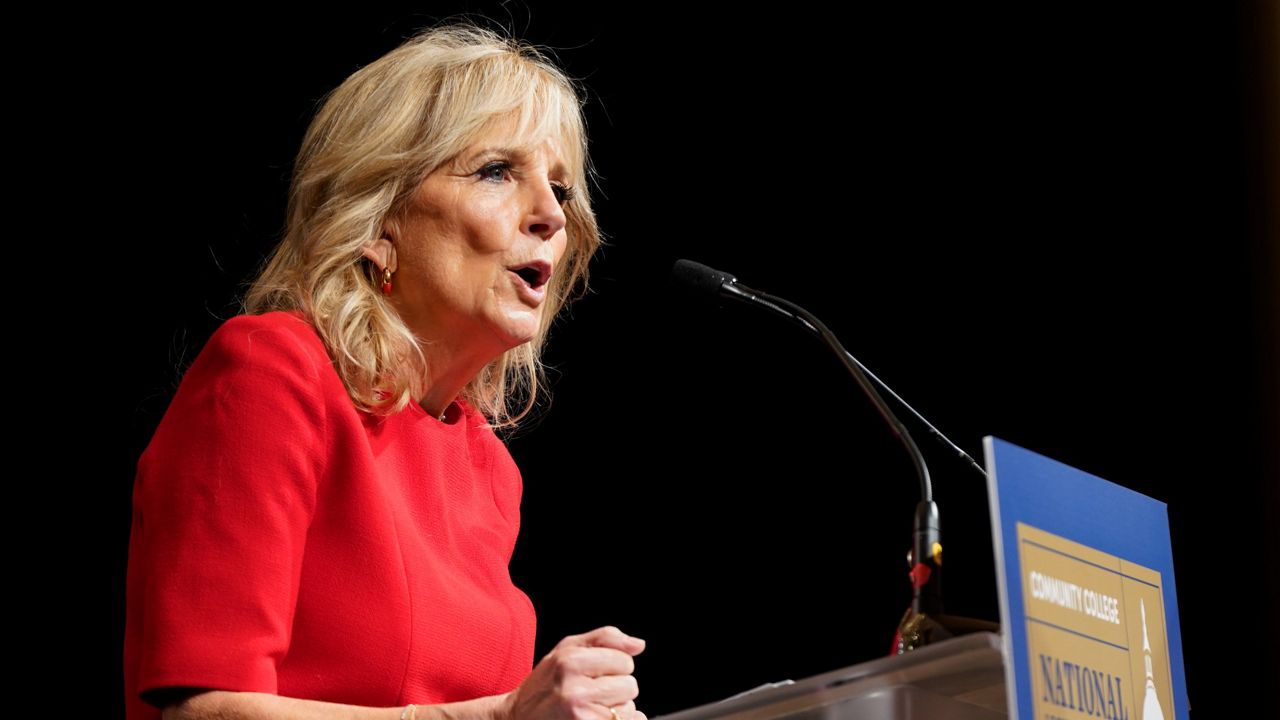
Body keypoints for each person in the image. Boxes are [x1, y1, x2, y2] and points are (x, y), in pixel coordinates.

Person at [123, 22, 645, 720]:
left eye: (560, 187)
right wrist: (497, 718)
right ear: (378, 222)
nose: (553, 214)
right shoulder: (271, 373)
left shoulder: (488, 469)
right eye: (496, 171)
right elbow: (198, 711)